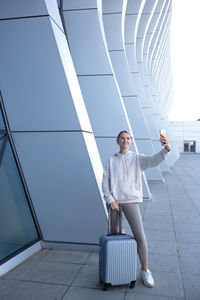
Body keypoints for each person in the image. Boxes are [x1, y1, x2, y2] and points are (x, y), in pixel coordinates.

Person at [102, 130, 170, 288]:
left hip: (131, 201)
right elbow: (105, 182)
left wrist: (165, 150)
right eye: (122, 138)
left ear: (130, 141)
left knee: (140, 237)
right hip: (115, 203)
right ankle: (115, 269)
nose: (125, 140)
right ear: (117, 141)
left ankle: (145, 270)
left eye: (128, 138)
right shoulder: (111, 160)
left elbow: (154, 160)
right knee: (114, 237)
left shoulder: (137, 158)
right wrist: (111, 200)